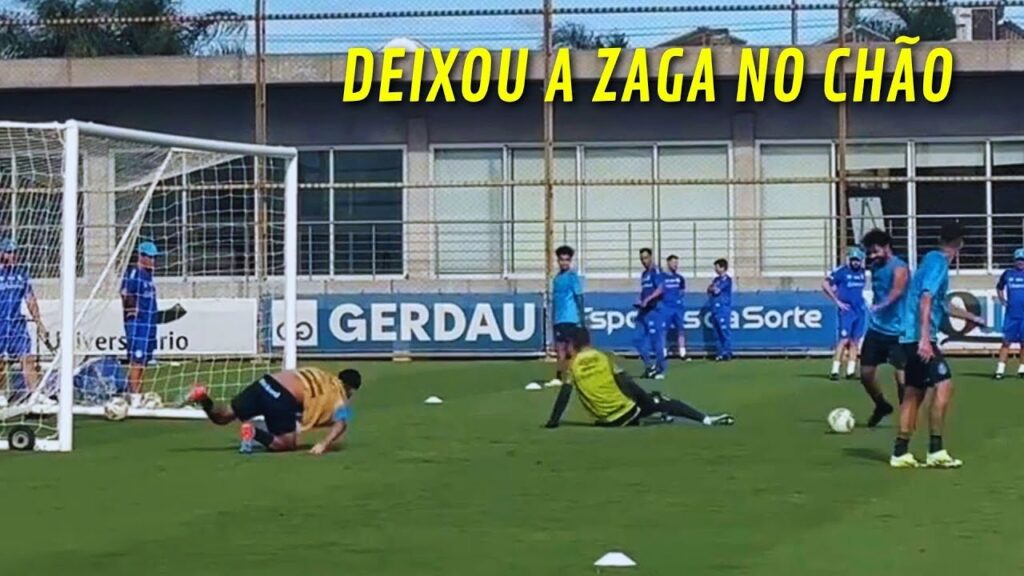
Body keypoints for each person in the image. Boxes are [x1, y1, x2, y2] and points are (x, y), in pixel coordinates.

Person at [891, 222, 985, 469]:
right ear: (960, 243)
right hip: (920, 339)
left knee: (914, 393)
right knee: (944, 387)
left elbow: (940, 303)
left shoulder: (930, 259)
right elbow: (926, 298)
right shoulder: (938, 262)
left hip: (909, 337)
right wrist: (924, 338)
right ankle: (936, 450)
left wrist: (971, 318)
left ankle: (900, 452)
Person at [544, 328, 734, 428]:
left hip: (606, 420)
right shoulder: (603, 358)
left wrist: (553, 422)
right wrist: (647, 402)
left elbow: (564, 396)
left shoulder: (572, 366)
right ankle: (706, 419)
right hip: (623, 413)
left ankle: (654, 414)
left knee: (645, 404)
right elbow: (626, 383)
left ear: (573, 344)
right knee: (659, 399)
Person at [187, 366, 363, 455]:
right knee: (286, 444)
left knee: (223, 416)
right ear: (352, 389)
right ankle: (253, 431)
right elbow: (342, 424)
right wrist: (324, 444)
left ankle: (202, 396)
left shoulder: (319, 372)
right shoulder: (340, 398)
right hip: (283, 396)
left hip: (266, 382)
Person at [859, 229, 909, 428]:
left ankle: (906, 416)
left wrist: (880, 305)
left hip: (898, 330)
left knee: (902, 378)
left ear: (887, 246)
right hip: (876, 329)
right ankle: (881, 405)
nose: (872, 255)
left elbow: (897, 292)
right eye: (869, 252)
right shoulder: (875, 267)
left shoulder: (900, 267)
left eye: (875, 251)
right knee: (865, 374)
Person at [0, 239, 48, 396]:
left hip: (16, 324)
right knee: (1, 362)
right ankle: (1, 394)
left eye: (14, 252)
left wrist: (39, 323)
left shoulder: (21, 275)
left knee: (27, 358)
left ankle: (36, 394)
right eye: (8, 252)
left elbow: (30, 299)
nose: (12, 256)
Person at [822, 247, 868, 381]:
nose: (855, 262)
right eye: (853, 260)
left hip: (859, 310)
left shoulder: (862, 273)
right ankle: (835, 370)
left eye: (857, 260)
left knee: (855, 341)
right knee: (843, 340)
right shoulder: (842, 272)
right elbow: (825, 284)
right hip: (847, 311)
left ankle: (850, 371)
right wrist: (837, 301)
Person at [121, 241, 160, 399]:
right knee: (136, 360)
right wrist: (132, 309)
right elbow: (125, 292)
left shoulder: (148, 276)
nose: (153, 261)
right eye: (149, 257)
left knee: (143, 360)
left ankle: (139, 393)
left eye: (154, 257)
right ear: (141, 256)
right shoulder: (135, 273)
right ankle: (134, 396)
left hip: (149, 324)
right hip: (138, 324)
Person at [551, 245, 585, 384]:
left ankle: (575, 375)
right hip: (559, 319)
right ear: (558, 261)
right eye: (561, 260)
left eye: (567, 260)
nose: (564, 262)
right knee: (559, 349)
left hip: (571, 318)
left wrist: (581, 318)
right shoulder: (557, 278)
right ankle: (559, 376)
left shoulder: (573, 277)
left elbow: (579, 297)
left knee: (571, 349)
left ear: (570, 261)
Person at [633, 248, 666, 379]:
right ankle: (649, 366)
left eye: (646, 258)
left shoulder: (655, 271)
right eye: (642, 258)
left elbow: (660, 289)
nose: (644, 261)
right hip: (644, 310)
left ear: (651, 257)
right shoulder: (644, 274)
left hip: (654, 309)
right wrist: (640, 300)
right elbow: (645, 290)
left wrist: (647, 299)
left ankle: (660, 369)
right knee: (637, 338)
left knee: (656, 340)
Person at [994, 248, 1024, 380]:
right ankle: (1000, 370)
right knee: (1006, 342)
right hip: (1011, 315)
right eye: (1018, 260)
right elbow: (999, 287)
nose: (1020, 262)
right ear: (1014, 261)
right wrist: (1002, 300)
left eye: (1022, 260)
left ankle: (1022, 369)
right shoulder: (1008, 273)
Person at [662, 255, 687, 360]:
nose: (675, 265)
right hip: (666, 307)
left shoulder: (680, 278)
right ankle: (663, 352)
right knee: (663, 330)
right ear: (668, 263)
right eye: (673, 262)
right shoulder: (662, 277)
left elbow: (682, 291)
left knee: (680, 329)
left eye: (677, 263)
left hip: (677, 308)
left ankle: (682, 352)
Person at [707, 258, 733, 361]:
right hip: (715, 309)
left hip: (723, 309)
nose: (715, 269)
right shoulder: (716, 280)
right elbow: (709, 289)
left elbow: (716, 290)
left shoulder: (727, 280)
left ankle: (727, 352)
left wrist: (713, 288)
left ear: (722, 268)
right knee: (717, 332)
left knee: (724, 331)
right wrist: (712, 288)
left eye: (717, 267)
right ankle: (720, 352)